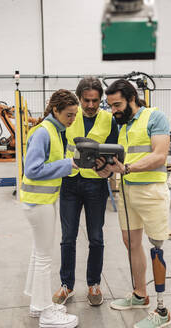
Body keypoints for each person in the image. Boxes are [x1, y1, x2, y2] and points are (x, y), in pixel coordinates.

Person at [97, 79, 171, 328]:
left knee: (156, 247)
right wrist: (106, 170)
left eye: (117, 104)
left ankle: (162, 311)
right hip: (127, 191)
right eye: (111, 106)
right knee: (130, 242)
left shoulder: (155, 117)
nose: (114, 110)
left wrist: (126, 168)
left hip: (152, 191)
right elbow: (121, 161)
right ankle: (140, 294)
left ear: (132, 98)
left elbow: (160, 154)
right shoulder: (123, 125)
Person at [52, 77, 118, 307]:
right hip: (70, 182)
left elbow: (114, 155)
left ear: (101, 100)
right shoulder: (70, 115)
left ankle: (94, 284)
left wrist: (108, 173)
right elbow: (58, 144)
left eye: (95, 101)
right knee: (68, 238)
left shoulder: (109, 120)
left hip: (95, 185)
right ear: (79, 99)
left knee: (96, 238)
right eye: (86, 100)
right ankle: (66, 285)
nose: (90, 105)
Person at [20, 89, 79, 328]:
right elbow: (32, 169)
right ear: (55, 109)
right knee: (45, 257)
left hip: (42, 201)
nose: (72, 119)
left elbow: (58, 164)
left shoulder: (56, 130)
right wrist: (67, 164)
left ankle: (38, 304)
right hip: (39, 203)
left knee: (38, 253)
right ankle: (46, 314)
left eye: (75, 115)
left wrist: (73, 164)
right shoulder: (44, 132)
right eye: (69, 114)